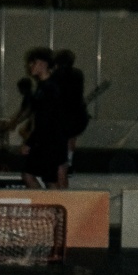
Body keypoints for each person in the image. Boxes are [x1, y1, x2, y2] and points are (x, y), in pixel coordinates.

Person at [21, 47, 67, 191]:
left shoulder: (50, 88)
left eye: (33, 62)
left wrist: (30, 142)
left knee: (47, 179)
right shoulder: (44, 87)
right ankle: (49, 202)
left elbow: (45, 120)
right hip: (46, 140)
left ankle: (52, 203)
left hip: (49, 141)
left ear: (43, 64)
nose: (30, 66)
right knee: (38, 177)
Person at [52, 49, 88, 187]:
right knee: (71, 139)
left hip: (63, 115)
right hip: (77, 114)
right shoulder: (78, 74)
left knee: (63, 141)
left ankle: (65, 164)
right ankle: (70, 162)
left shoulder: (56, 76)